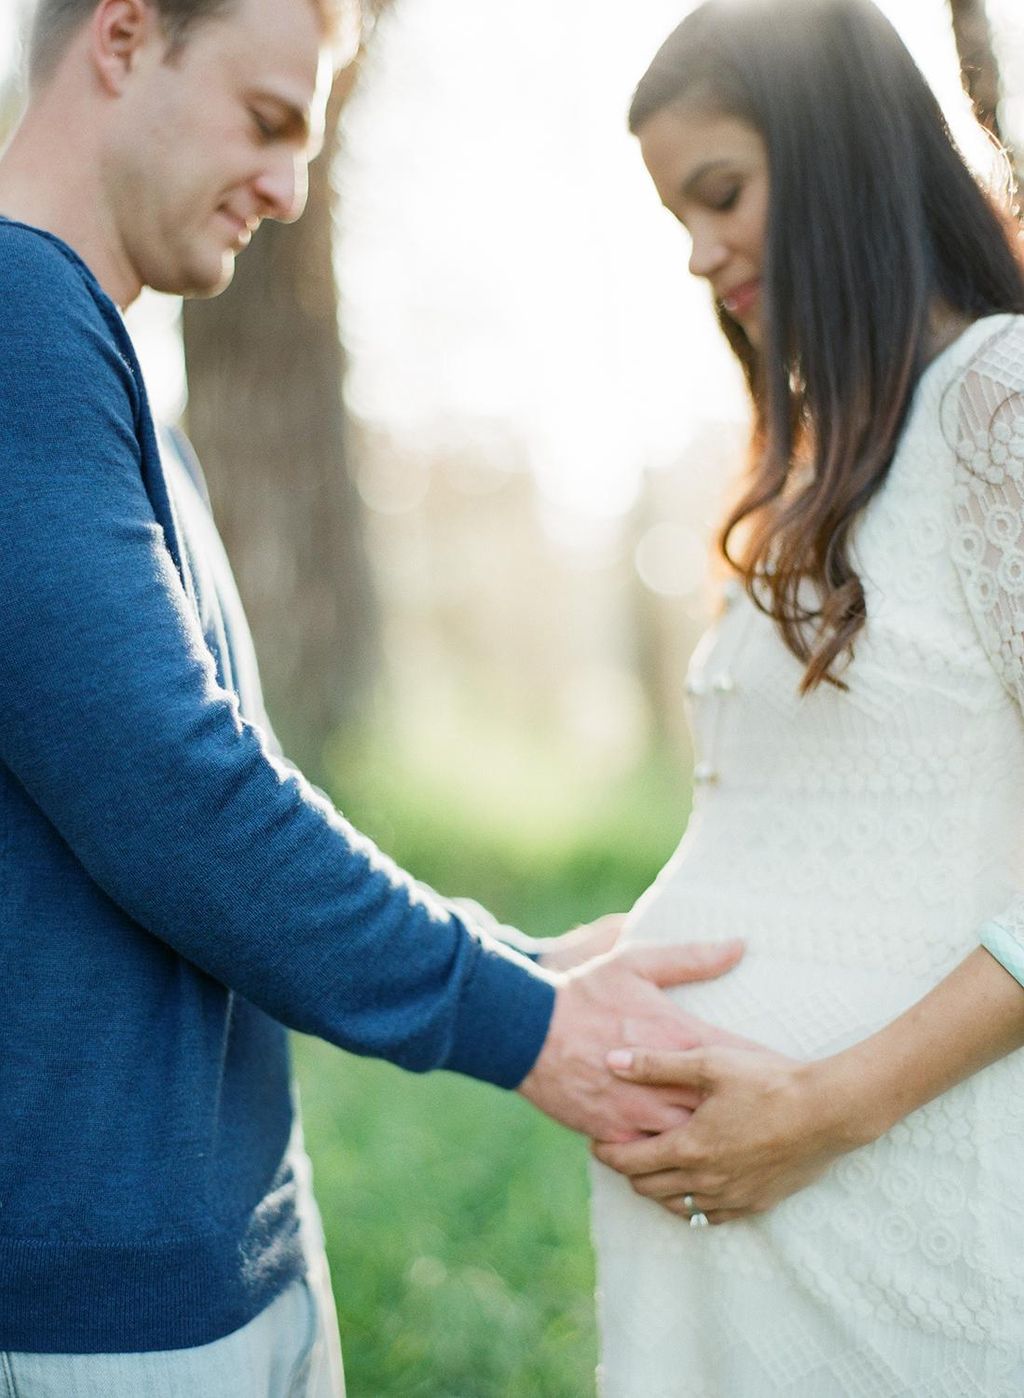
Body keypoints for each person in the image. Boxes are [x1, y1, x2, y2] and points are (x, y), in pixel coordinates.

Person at [0, 0, 747, 1392]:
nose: (289, 188)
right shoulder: (17, 330)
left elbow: (211, 801)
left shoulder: (103, 374)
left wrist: (514, 959)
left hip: (219, 1256)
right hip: (97, 1312)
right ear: (119, 39)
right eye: (268, 119)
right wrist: (526, 1029)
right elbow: (176, 800)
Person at [587, 0, 1024, 1393]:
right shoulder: (817, 462)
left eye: (721, 194)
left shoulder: (997, 406)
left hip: (895, 1218)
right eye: (678, 218)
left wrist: (823, 1110)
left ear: (837, 156)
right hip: (743, 1238)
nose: (702, 254)